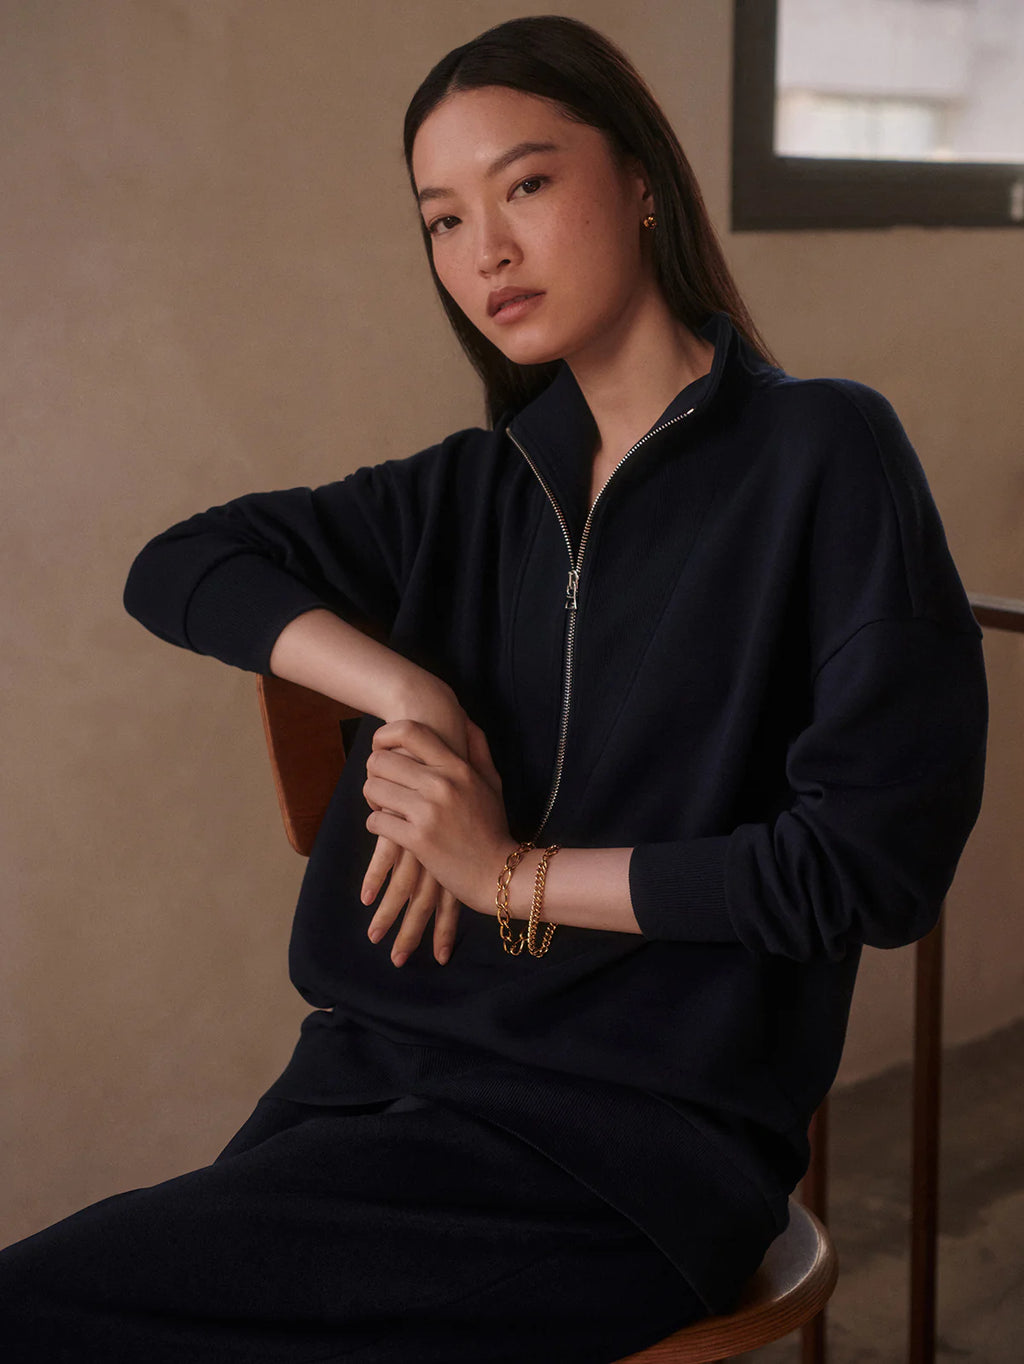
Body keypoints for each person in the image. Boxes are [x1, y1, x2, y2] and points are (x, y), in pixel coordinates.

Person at [0, 14, 987, 1363]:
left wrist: (507, 873)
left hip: (629, 1156)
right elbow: (181, 565)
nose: (487, 254)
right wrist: (411, 694)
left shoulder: (824, 454)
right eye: (442, 220)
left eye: (525, 185)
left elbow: (867, 869)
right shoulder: (470, 494)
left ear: (642, 178)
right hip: (369, 1091)